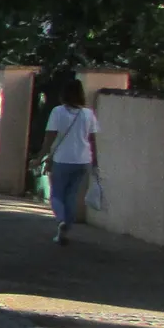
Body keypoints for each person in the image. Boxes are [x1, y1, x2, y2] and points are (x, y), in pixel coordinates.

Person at [42, 80, 100, 245]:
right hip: (83, 161)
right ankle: (65, 231)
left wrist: (41, 157)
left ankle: (61, 221)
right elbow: (92, 140)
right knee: (72, 195)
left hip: (62, 159)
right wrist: (95, 162)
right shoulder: (88, 114)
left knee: (56, 195)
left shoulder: (57, 112)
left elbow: (49, 138)